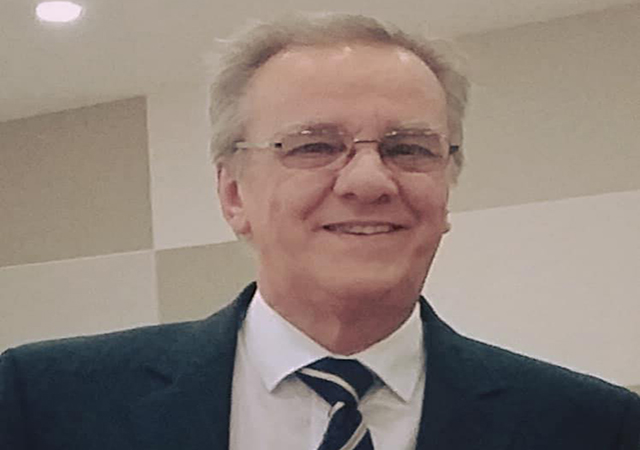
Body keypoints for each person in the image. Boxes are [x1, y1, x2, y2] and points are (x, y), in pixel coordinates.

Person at [1, 12, 638, 450]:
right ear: (233, 194)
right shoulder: (42, 403)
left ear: (447, 188)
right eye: (313, 146)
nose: (369, 180)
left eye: (409, 148)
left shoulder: (594, 428)